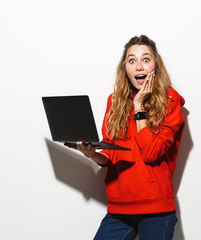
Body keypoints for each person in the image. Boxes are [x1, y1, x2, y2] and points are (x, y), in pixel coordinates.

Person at [65, 35, 185, 240]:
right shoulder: (115, 102)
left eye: (146, 59)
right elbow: (110, 155)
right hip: (118, 209)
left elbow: (150, 153)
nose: (139, 66)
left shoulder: (170, 100)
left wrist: (139, 107)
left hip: (156, 210)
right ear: (125, 68)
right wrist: (92, 154)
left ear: (156, 65)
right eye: (132, 60)